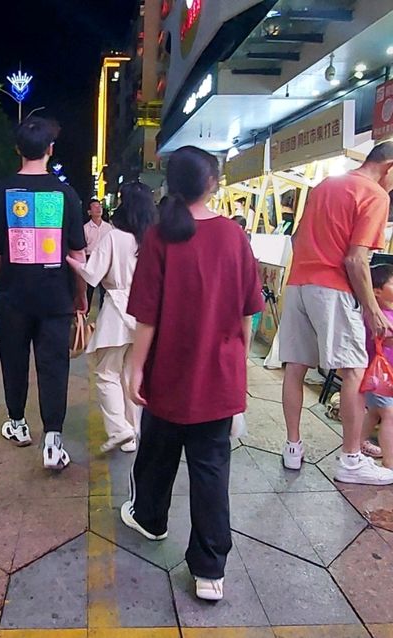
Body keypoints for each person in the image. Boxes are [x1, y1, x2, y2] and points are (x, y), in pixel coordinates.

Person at [122, 146, 262, 602]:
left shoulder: (161, 237)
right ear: (214, 183)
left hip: (169, 373)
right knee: (210, 471)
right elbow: (247, 313)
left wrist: (136, 367)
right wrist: (235, 359)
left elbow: (147, 318)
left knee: (157, 454)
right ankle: (209, 571)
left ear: (171, 185)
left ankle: (150, 518)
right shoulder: (233, 237)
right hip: (217, 376)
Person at [280, 142, 393, 485]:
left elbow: (297, 237)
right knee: (354, 371)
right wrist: (373, 310)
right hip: (333, 288)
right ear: (389, 166)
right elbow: (355, 259)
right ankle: (351, 458)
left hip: (298, 283)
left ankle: (293, 448)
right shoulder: (374, 194)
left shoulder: (326, 185)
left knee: (295, 367)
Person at [0, 116, 87, 470]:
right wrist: (81, 295)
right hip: (56, 297)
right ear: (50, 150)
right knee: (54, 366)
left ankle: (17, 424)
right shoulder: (66, 193)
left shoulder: (1, 191)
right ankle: (53, 442)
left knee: (13, 361)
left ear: (17, 150)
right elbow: (77, 255)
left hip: (12, 297)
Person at [67, 181, 155, 454]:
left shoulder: (114, 236)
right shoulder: (153, 237)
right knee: (132, 372)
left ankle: (120, 430)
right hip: (146, 313)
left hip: (117, 309)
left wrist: (70, 259)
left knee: (106, 372)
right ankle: (134, 430)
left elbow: (92, 274)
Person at [361, 264, 393, 467]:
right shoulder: (375, 316)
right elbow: (387, 338)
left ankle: (355, 444)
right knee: (389, 415)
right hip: (376, 375)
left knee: (374, 412)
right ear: (377, 291)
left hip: (386, 376)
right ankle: (390, 464)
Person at [84, 198, 112, 312]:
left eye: (99, 206)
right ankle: (85, 314)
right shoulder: (85, 228)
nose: (98, 208)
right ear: (89, 212)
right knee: (88, 290)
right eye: (94, 207)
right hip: (90, 259)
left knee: (104, 290)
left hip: (105, 259)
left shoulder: (108, 227)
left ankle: (102, 314)